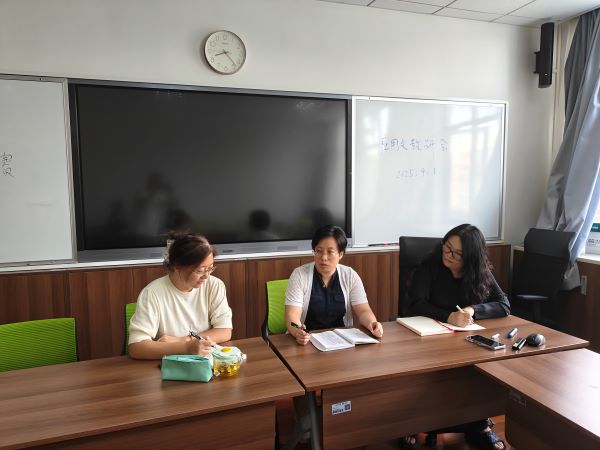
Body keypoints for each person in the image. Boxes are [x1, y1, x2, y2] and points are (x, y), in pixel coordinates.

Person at [404, 223, 509, 450]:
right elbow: (415, 304)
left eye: (456, 253)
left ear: (470, 258)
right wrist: (449, 316)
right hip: (429, 341)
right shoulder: (429, 266)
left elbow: (503, 304)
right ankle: (413, 422)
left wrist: (473, 310)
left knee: (477, 374)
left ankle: (478, 424)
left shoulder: (480, 272)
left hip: (464, 343)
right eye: (447, 247)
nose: (448, 254)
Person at [128, 233, 233, 359]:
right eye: (200, 270)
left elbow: (224, 330)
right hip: (170, 365)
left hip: (205, 362)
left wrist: (185, 339)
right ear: (177, 267)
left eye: (210, 268)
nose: (206, 276)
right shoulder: (152, 293)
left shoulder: (214, 285)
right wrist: (186, 348)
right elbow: (136, 347)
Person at [285, 225, 383, 344]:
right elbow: (292, 315)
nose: (323, 257)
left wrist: (372, 324)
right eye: (318, 251)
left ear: (341, 254)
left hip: (341, 341)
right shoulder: (300, 275)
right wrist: (298, 332)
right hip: (308, 340)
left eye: (330, 252)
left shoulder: (350, 275)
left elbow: (363, 310)